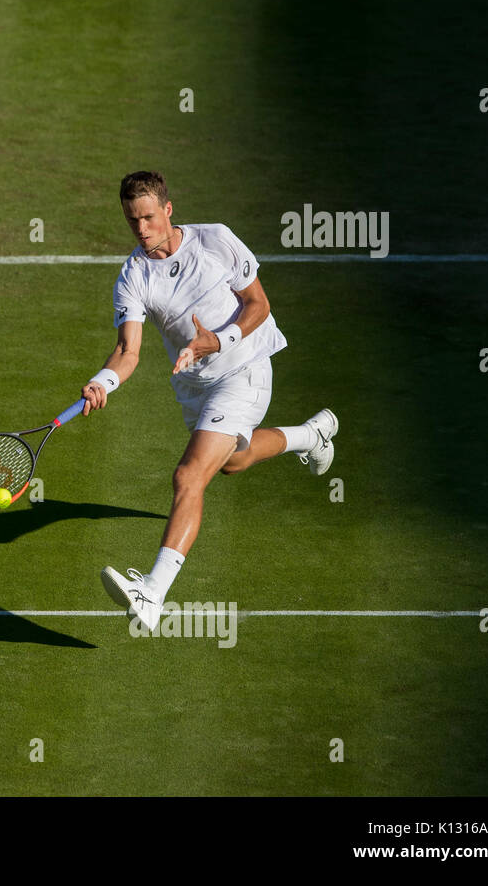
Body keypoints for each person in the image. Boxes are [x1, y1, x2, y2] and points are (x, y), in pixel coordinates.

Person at [83, 171, 337, 631]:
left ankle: (152, 594)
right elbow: (128, 350)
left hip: (245, 370)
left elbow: (257, 304)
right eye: (131, 220)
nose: (141, 230)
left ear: (168, 209)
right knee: (232, 462)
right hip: (196, 387)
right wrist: (103, 381)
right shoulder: (133, 275)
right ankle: (311, 435)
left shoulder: (215, 240)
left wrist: (217, 342)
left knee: (188, 475)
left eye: (148, 218)